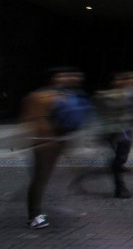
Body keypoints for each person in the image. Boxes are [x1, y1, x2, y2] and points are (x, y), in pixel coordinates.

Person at [19, 67, 90, 229]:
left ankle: (36, 207)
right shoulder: (40, 96)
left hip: (59, 141)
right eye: (66, 75)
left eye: (75, 75)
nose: (73, 78)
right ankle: (34, 216)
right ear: (54, 78)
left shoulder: (67, 95)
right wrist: (45, 140)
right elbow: (36, 120)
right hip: (45, 143)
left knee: (48, 176)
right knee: (40, 179)